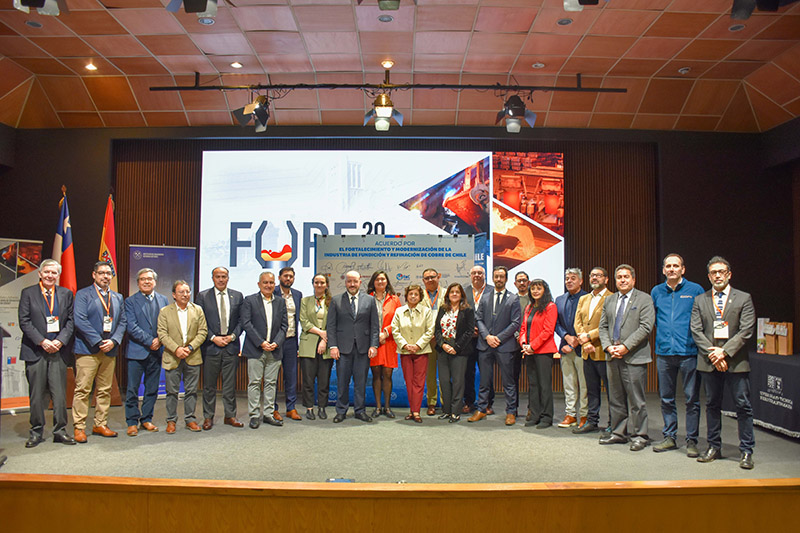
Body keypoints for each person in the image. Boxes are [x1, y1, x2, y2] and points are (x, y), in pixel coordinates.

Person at [691, 256, 756, 469]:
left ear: (729, 274)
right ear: (709, 276)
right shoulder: (700, 299)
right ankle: (714, 447)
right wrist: (714, 354)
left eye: (721, 271)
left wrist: (725, 352)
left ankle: (746, 451)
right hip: (710, 361)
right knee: (712, 405)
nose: (717, 275)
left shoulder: (743, 298)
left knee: (743, 406)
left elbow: (746, 330)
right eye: (713, 272)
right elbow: (696, 330)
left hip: (736, 362)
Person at [650, 254, 705, 456]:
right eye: (668, 266)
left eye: (676, 266)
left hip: (689, 352)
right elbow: (654, 320)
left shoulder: (695, 290)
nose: (672, 269)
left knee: (692, 399)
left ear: (683, 269)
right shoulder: (656, 291)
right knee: (666, 398)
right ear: (663, 270)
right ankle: (670, 437)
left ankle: (692, 440)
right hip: (664, 353)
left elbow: (702, 319)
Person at [598, 264, 655, 451]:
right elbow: (603, 327)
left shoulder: (645, 299)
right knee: (615, 398)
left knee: (636, 400)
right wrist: (608, 347)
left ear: (633, 279)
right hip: (612, 356)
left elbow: (646, 327)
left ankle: (640, 435)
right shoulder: (610, 300)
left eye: (626, 277)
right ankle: (619, 433)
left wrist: (625, 347)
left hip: (634, 357)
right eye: (619, 277)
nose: (622, 280)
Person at [19, 259, 75, 447]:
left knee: (59, 394)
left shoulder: (66, 294)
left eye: (54, 273)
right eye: (47, 272)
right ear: (40, 274)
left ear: (58, 275)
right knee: (36, 395)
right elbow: (24, 321)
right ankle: (36, 432)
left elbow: (70, 321)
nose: (50, 275)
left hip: (58, 350)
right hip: (35, 350)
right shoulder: (28, 293)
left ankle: (60, 431)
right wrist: (42, 341)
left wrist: (59, 341)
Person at [72, 261, 127, 443]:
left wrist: (114, 341)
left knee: (105, 390)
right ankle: (79, 427)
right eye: (102, 273)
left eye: (108, 273)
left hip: (109, 350)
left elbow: (123, 322)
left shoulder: (117, 297)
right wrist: (97, 341)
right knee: (83, 390)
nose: (105, 276)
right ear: (94, 275)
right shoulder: (83, 294)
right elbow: (79, 320)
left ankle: (100, 424)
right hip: (88, 350)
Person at [469, 266, 521, 425]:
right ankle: (482, 409)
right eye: (496, 277)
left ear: (506, 279)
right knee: (484, 381)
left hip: (504, 346)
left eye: (501, 277)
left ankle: (511, 412)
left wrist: (497, 338)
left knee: (508, 381)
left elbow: (515, 323)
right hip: (485, 345)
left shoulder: (513, 298)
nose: (498, 279)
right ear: (492, 278)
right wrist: (487, 336)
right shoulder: (484, 298)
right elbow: (479, 319)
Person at [195, 266, 244, 430]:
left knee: (230, 385)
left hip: (231, 346)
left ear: (228, 278)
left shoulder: (237, 296)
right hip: (211, 347)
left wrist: (232, 337)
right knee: (209, 385)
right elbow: (199, 322)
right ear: (212, 278)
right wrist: (213, 338)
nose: (221, 279)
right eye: (218, 276)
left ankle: (230, 416)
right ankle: (208, 417)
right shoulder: (202, 296)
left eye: (224, 276)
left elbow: (241, 321)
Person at [327, 270, 379, 423]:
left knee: (360, 382)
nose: (352, 284)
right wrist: (333, 346)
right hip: (342, 349)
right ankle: (341, 411)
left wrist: (373, 345)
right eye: (349, 281)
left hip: (363, 348)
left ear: (360, 282)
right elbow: (331, 326)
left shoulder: (369, 300)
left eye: (355, 281)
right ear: (345, 282)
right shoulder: (336, 301)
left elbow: (374, 326)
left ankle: (360, 410)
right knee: (342, 381)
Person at [157, 280, 208, 434]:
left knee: (191, 391)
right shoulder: (165, 311)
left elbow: (203, 331)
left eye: (187, 291)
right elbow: (162, 334)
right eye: (181, 292)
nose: (185, 295)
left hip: (193, 356)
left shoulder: (197, 310)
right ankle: (171, 421)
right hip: (172, 356)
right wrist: (177, 349)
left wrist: (190, 347)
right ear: (174, 294)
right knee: (171, 391)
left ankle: (190, 419)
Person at [123, 268, 168, 437]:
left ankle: (147, 419)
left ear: (155, 282)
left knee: (152, 388)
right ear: (138, 282)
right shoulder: (130, 301)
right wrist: (151, 341)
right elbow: (131, 326)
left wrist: (160, 340)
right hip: (137, 351)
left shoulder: (163, 300)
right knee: (133, 389)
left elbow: (166, 324)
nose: (146, 281)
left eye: (149, 279)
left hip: (157, 352)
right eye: (143, 279)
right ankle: (132, 422)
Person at [241, 271, 288, 429]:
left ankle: (268, 414)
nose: (268, 285)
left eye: (271, 282)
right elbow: (247, 323)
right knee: (254, 383)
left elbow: (284, 326)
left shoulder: (280, 302)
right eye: (265, 282)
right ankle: (254, 415)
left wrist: (276, 342)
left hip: (274, 350)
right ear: (259, 284)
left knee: (271, 383)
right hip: (256, 349)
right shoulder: (250, 300)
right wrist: (261, 342)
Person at [573, 267, 613, 434]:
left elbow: (609, 324)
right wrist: (584, 342)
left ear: (606, 279)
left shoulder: (612, 298)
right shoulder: (583, 298)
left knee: (611, 391)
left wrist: (588, 336)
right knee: (592, 389)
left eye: (598, 275)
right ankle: (592, 421)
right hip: (587, 351)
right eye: (592, 275)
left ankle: (614, 423)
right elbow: (578, 323)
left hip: (604, 351)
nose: (595, 278)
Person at [392, 284, 435, 423]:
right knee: (409, 382)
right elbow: (395, 330)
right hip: (405, 352)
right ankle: (412, 410)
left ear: (420, 297)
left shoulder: (426, 311)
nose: (413, 296)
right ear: (406, 296)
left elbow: (430, 331)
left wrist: (418, 345)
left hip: (421, 351)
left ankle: (416, 412)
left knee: (419, 382)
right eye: (410, 294)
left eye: (416, 294)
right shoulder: (399, 311)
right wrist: (405, 345)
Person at [519, 279, 558, 428]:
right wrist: (524, 344)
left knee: (544, 385)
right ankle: (534, 415)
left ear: (544, 290)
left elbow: (548, 331)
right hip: (529, 351)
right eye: (533, 288)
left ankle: (547, 417)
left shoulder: (550, 307)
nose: (535, 291)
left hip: (543, 352)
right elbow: (523, 328)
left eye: (538, 288)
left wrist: (533, 346)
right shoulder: (529, 307)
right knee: (533, 385)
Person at [434, 283, 475, 423]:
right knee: (444, 381)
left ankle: (455, 412)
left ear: (462, 295)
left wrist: (456, 347)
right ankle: (446, 410)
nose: (454, 294)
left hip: (460, 350)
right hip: (443, 348)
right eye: (452, 292)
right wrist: (443, 344)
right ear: (448, 295)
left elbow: (470, 332)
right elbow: (437, 330)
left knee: (458, 382)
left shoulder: (467, 310)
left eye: (457, 292)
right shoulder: (443, 309)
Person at [554, 268, 588, 428]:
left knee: (584, 384)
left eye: (573, 278)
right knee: (568, 384)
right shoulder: (559, 299)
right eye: (567, 278)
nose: (569, 281)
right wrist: (567, 338)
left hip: (583, 347)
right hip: (565, 348)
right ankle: (570, 414)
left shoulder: (588, 298)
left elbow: (591, 323)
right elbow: (556, 323)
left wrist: (576, 341)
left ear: (581, 281)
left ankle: (584, 415)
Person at [298, 274, 334, 420]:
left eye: (322, 283)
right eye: (316, 282)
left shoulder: (332, 302)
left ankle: (322, 408)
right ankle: (309, 408)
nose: (319, 285)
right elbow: (304, 321)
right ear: (312, 284)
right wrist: (320, 333)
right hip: (308, 344)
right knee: (308, 380)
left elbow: (333, 323)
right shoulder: (305, 301)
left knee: (324, 380)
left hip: (326, 345)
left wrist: (325, 340)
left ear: (326, 285)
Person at [367, 270, 401, 418]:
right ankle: (378, 407)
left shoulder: (394, 299)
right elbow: (363, 320)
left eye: (383, 279)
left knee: (387, 374)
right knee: (376, 374)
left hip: (389, 341)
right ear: (373, 282)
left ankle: (387, 407)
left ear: (387, 281)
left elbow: (399, 321)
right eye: (377, 279)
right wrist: (375, 336)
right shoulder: (367, 299)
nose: (380, 282)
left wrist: (386, 332)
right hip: (373, 342)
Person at [462, 265, 492, 414]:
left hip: (486, 338)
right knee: (468, 372)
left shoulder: (492, 291)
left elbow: (495, 315)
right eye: (474, 273)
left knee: (487, 372)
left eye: (480, 273)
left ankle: (487, 403)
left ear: (484, 275)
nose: (477, 275)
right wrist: (469, 330)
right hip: (468, 339)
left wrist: (483, 331)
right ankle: (469, 402)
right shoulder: (464, 291)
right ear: (470, 275)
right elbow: (459, 314)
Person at [276, 266, 303, 421]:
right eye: (285, 276)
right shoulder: (271, 292)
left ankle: (291, 408)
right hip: (275, 342)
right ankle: (272, 408)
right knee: (273, 376)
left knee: (291, 376)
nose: (288, 279)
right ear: (280, 277)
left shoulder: (298, 295)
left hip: (291, 340)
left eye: (291, 276)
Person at [419, 268, 445, 415]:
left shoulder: (447, 293)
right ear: (423, 281)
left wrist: (439, 335)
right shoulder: (419, 294)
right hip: (426, 340)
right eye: (427, 278)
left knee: (444, 373)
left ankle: (445, 401)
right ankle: (431, 402)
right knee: (429, 374)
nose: (430, 280)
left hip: (443, 340)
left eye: (432, 277)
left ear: (438, 276)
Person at [513, 271, 529, 419]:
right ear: (515, 284)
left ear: (528, 283)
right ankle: (513, 409)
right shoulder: (511, 299)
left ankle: (532, 408)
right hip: (514, 344)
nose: (522, 283)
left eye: (524, 280)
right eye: (519, 281)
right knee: (513, 377)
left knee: (533, 378)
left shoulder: (535, 299)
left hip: (532, 345)